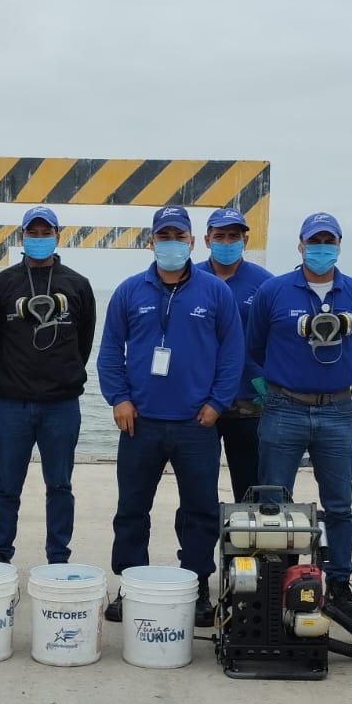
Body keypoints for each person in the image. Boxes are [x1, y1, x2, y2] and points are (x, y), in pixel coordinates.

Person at [97, 205, 243, 627]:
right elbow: (110, 351)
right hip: (139, 423)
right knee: (131, 509)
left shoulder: (215, 292)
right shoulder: (129, 291)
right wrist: (119, 399)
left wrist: (217, 403)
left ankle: (196, 587)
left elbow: (232, 353)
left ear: (193, 243)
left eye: (179, 237)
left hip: (196, 425)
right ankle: (130, 584)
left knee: (199, 510)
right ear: (151, 243)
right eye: (164, 237)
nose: (172, 244)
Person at [246, 212, 352, 623]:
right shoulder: (273, 291)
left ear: (339, 245)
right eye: (314, 241)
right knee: (272, 503)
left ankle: (338, 584)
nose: (321, 248)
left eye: (328, 241)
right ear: (301, 245)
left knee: (339, 505)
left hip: (337, 409)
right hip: (283, 406)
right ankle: (276, 581)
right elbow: (255, 346)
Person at [0, 206, 97, 564]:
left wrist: (63, 376)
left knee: (60, 486)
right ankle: (0, 554)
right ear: (22, 237)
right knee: (6, 487)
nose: (38, 238)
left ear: (57, 236)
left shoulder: (78, 284)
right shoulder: (2, 283)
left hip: (61, 405)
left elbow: (83, 342)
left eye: (45, 232)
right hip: (11, 404)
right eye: (31, 233)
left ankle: (58, 557)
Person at [196, 207, 274, 502]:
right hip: (199, 399)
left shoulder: (266, 283)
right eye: (220, 236)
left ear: (245, 240)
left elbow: (275, 339)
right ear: (207, 240)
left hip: (250, 401)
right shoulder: (190, 279)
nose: (227, 242)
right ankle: (199, 534)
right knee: (197, 484)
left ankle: (247, 533)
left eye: (233, 236)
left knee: (251, 485)